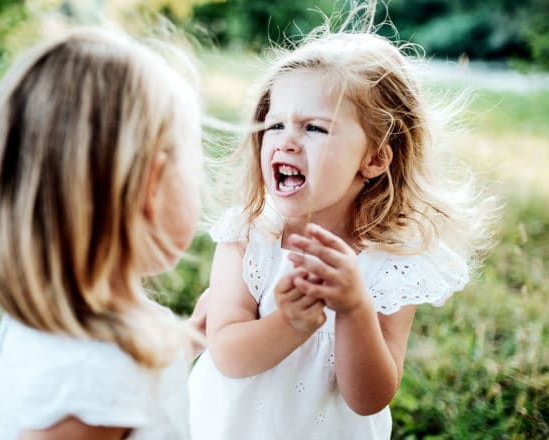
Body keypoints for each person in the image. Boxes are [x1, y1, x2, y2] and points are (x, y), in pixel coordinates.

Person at [188, 12, 497, 440]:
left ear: (374, 159)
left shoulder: (393, 261)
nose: (287, 140)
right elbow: (227, 354)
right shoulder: (249, 238)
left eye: (314, 127)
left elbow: (369, 397)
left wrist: (354, 309)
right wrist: (289, 323)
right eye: (275, 125)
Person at [0, 26, 204, 440]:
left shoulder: (56, 321)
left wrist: (190, 339)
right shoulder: (101, 377)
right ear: (149, 185)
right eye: (194, 163)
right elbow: (106, 384)